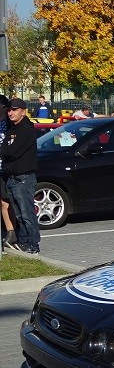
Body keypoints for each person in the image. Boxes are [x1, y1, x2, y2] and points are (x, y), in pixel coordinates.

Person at [1, 98, 41, 254]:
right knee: (18, 215)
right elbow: (4, 148)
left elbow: (13, 152)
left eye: (14, 110)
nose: (11, 113)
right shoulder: (13, 129)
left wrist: (6, 150)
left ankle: (33, 245)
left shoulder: (26, 130)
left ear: (23, 112)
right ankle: (23, 243)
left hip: (23, 178)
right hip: (12, 178)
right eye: (9, 110)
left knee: (27, 214)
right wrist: (6, 150)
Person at [0, 95, 18, 250]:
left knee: (7, 201)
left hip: (6, 168)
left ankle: (12, 231)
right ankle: (8, 231)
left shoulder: (10, 124)